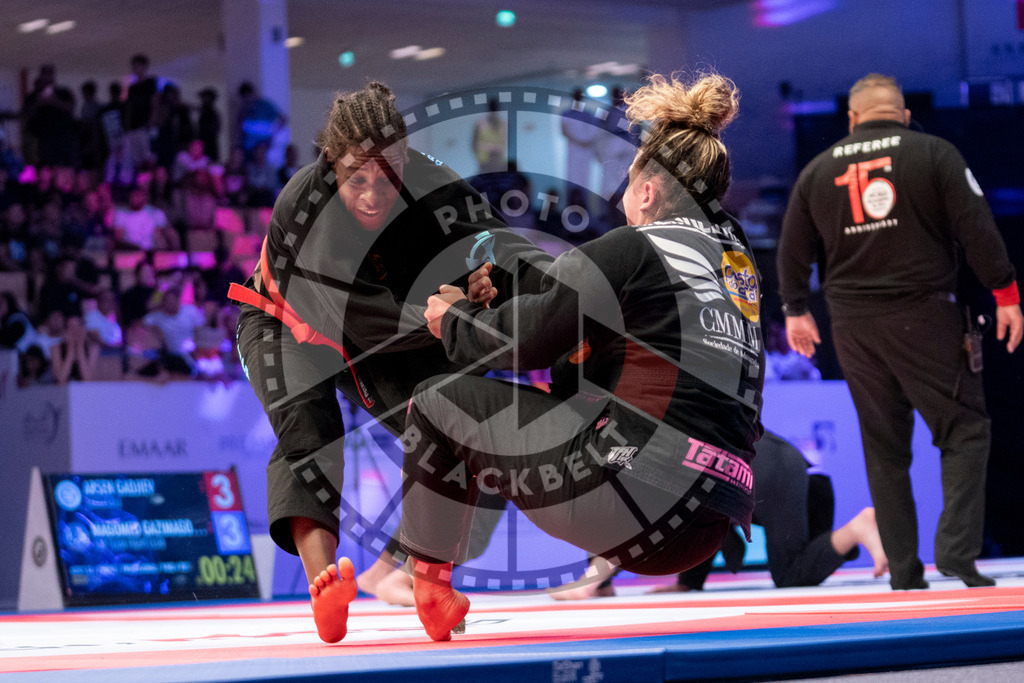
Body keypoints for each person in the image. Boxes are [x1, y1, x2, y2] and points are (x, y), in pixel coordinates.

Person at [396, 72, 764, 642]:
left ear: (647, 191)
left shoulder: (635, 247)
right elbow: (587, 355)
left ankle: (430, 584)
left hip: (635, 500)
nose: (621, 205)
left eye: (626, 190)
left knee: (436, 403)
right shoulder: (740, 270)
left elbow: (531, 343)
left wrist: (456, 325)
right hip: (713, 523)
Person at [229, 82, 552, 643]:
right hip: (287, 323)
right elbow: (359, 323)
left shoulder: (430, 182)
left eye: (390, 174)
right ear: (333, 166)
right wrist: (455, 306)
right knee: (310, 432)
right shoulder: (303, 212)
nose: (375, 193)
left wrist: (552, 291)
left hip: (396, 325)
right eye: (357, 178)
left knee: (461, 431)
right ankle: (323, 584)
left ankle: (426, 578)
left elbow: (498, 244)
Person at [777, 73, 1023, 590]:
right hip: (925, 314)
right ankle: (956, 554)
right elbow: (976, 223)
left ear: (852, 119)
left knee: (884, 447)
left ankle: (905, 573)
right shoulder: (933, 153)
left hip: (851, 325)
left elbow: (792, 246)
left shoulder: (819, 169)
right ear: (904, 115)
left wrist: (797, 310)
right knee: (965, 430)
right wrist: (1005, 292)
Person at [553, 430, 887, 599]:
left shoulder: (647, 457)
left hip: (763, 472)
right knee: (698, 512)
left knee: (791, 576)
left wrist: (588, 583)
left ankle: (859, 527)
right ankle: (677, 584)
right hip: (778, 461)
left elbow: (636, 522)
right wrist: (687, 585)